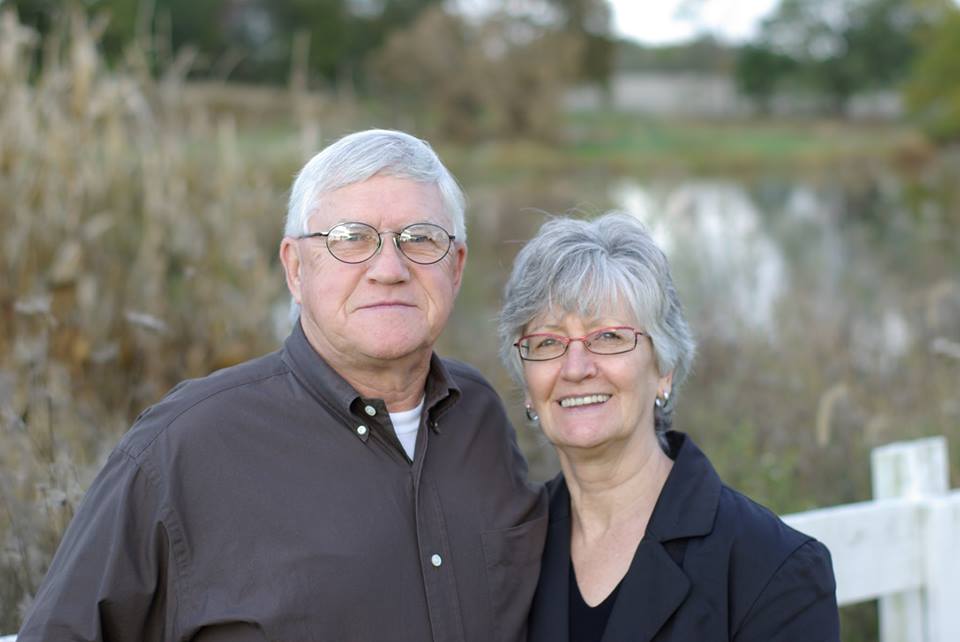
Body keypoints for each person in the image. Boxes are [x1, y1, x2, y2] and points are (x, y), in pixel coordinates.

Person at [18, 129, 547, 642]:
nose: (390, 268)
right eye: (351, 239)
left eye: (420, 239)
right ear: (295, 268)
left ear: (455, 268)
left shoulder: (478, 416)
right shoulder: (183, 449)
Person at [498, 213, 840, 642]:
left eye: (608, 337)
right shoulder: (508, 551)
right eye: (547, 342)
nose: (576, 367)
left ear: (664, 368)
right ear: (527, 385)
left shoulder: (774, 569)